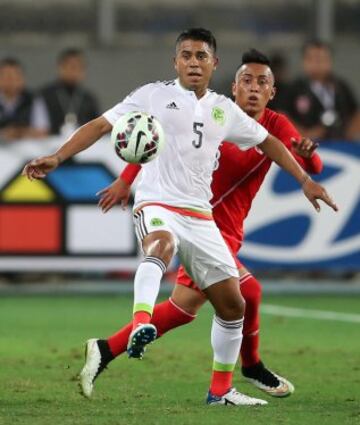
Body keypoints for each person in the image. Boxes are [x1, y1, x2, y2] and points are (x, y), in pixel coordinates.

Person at [23, 29, 337, 406]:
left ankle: (217, 390)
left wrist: (305, 180)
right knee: (162, 246)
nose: (193, 62)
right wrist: (58, 157)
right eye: (186, 55)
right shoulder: (153, 95)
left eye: (200, 56)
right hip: (158, 204)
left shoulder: (225, 110)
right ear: (176, 62)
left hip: (201, 218)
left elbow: (270, 142)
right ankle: (142, 323)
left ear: (213, 64)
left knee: (233, 304)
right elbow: (104, 126)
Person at [91, 48, 323, 399]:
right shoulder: (215, 115)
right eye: (247, 81)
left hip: (227, 227)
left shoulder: (274, 125)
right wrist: (127, 178)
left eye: (262, 82)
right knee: (241, 297)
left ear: (272, 92)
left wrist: (309, 160)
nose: (254, 88)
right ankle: (244, 371)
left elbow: (310, 162)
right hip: (199, 224)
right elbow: (159, 141)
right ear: (234, 87)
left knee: (186, 308)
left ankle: (107, 348)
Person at [283, 40, 360, 140]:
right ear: (304, 61)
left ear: (330, 61)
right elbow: (283, 115)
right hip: (306, 146)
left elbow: (356, 113)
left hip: (340, 145)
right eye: (312, 59)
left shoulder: (341, 86)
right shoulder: (294, 88)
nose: (317, 63)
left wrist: (349, 134)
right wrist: (304, 134)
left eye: (322, 59)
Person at [37, 48, 99, 137]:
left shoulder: (88, 98)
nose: (76, 72)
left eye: (80, 67)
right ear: (60, 67)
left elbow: (96, 128)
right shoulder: (45, 95)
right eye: (72, 67)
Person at [0, 57, 48, 142]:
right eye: (7, 76)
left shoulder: (33, 99)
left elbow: (42, 131)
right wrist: (4, 134)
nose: (12, 81)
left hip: (26, 148)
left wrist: (18, 133)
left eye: (16, 76)